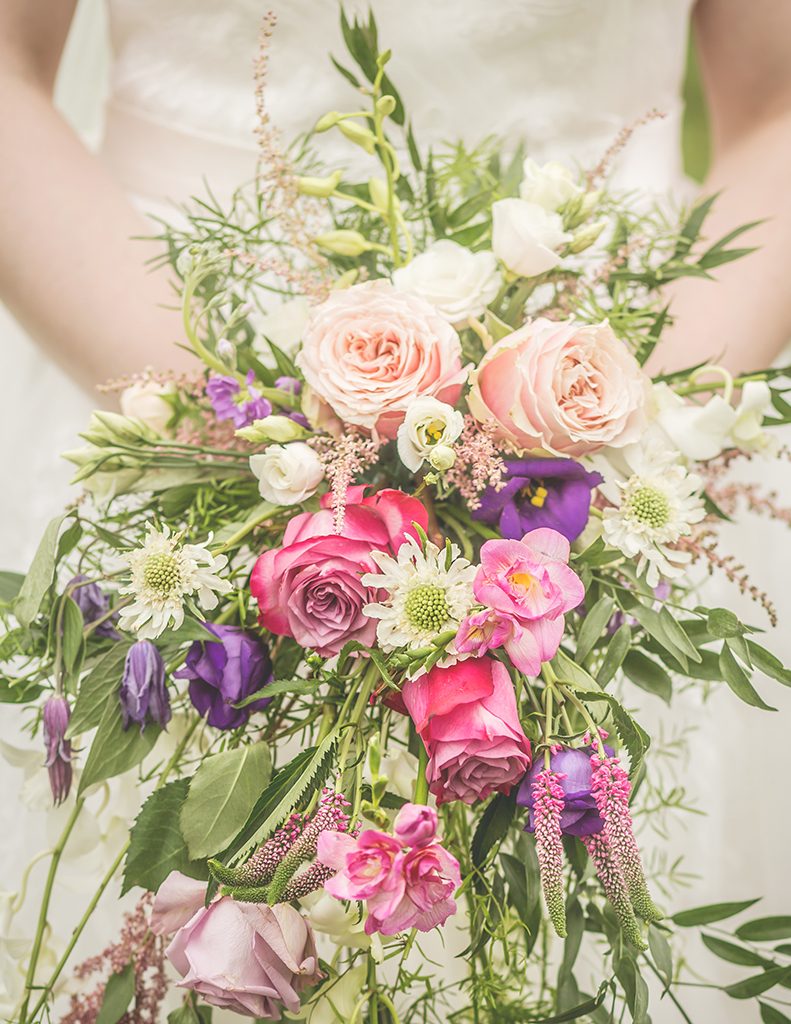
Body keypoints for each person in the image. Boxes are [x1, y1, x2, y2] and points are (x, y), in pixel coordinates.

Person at [0, 2, 790, 1020]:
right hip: (139, 361)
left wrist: (617, 423)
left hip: (605, 447)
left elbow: (775, 101)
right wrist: (259, 438)